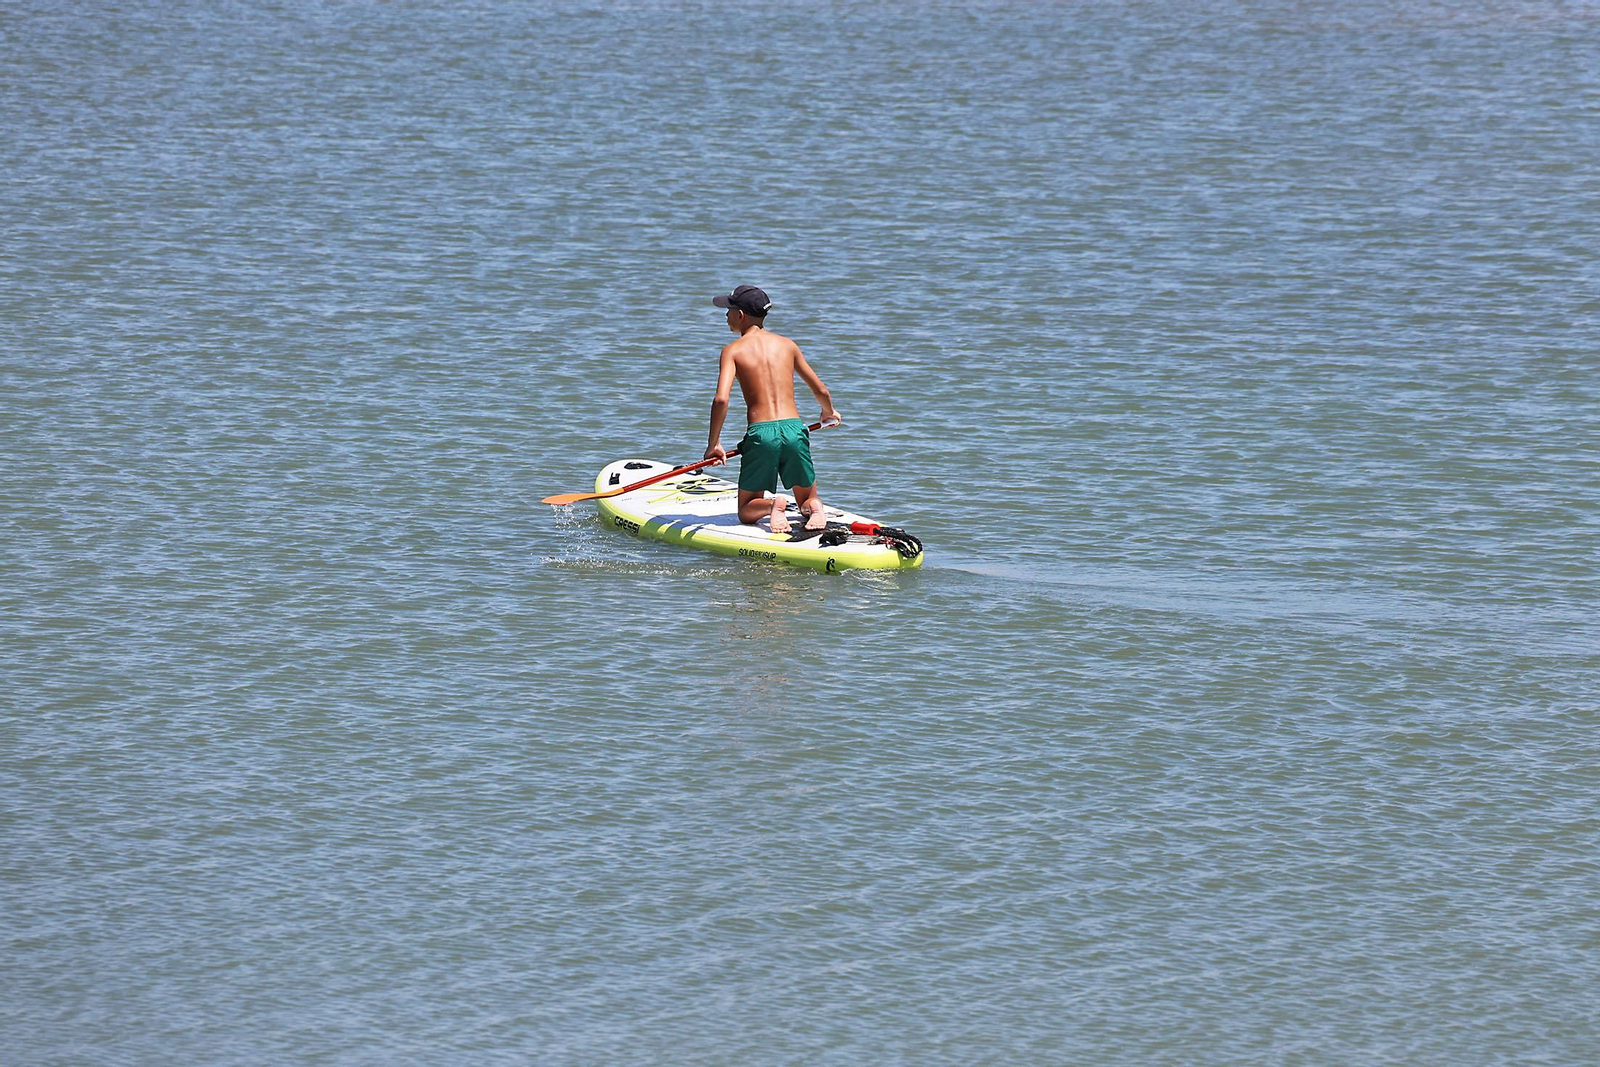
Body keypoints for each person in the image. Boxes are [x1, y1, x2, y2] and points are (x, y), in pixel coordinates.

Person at [703, 285, 840, 534]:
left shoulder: (732, 350)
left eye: (729, 310)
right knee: (806, 497)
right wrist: (828, 412)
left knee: (746, 510)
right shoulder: (788, 345)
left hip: (762, 434)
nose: (726, 315)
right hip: (794, 430)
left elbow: (721, 400)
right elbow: (821, 390)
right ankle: (814, 507)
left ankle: (772, 505)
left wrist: (714, 444)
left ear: (740, 315)